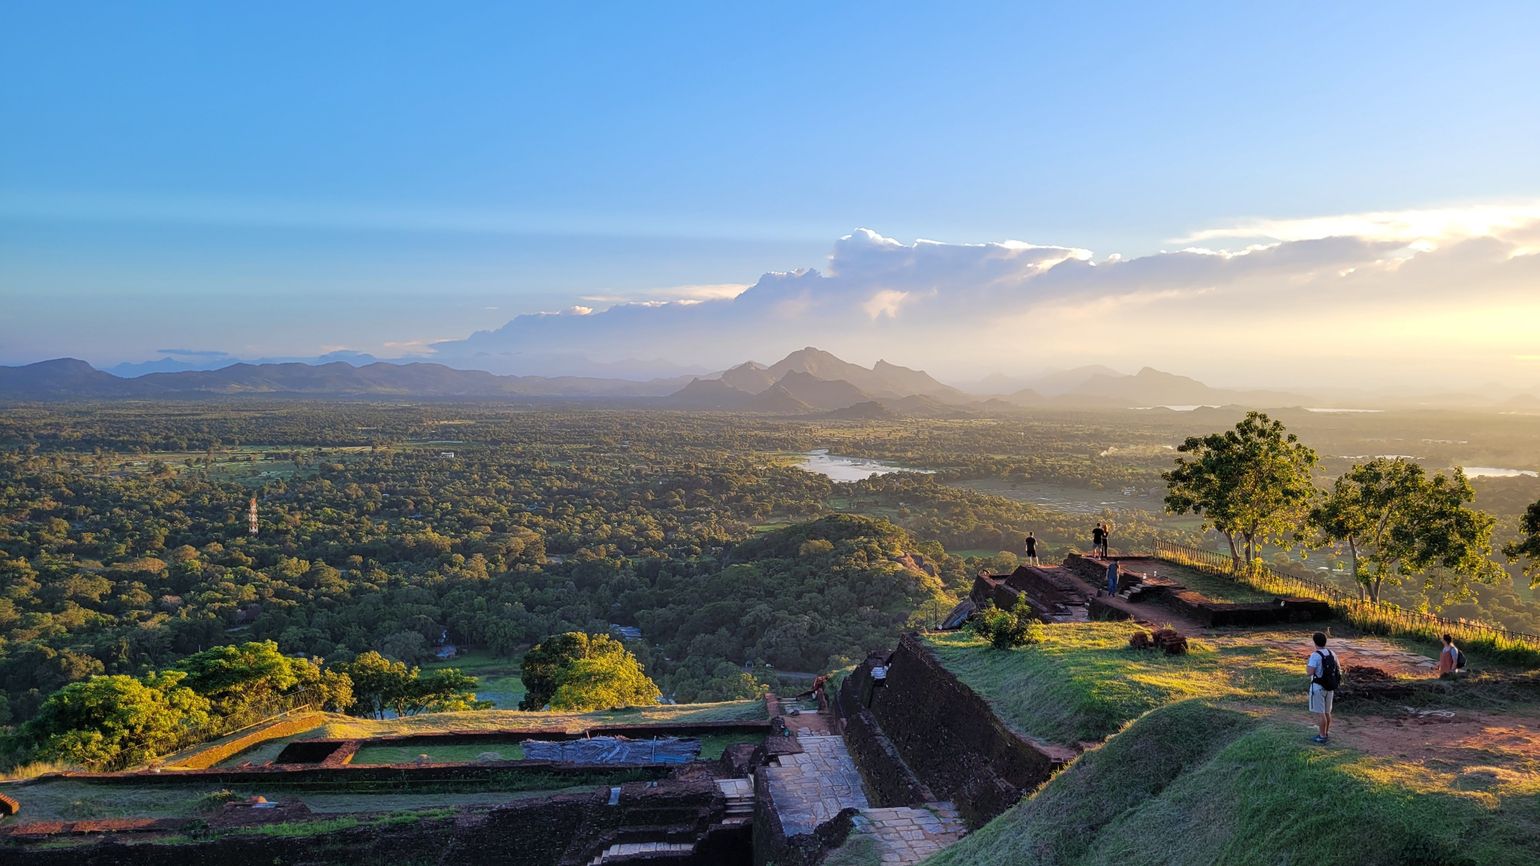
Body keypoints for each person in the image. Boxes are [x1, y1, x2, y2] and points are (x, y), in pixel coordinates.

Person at [1306, 632, 1339, 744]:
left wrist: (1308, 665)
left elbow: (1309, 672)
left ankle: (1322, 736)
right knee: (1327, 712)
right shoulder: (1332, 653)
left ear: (1314, 642)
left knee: (1321, 713)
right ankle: (1325, 733)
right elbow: (1337, 669)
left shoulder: (1315, 655)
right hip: (1329, 687)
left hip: (1318, 687)